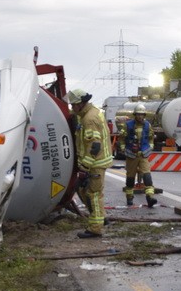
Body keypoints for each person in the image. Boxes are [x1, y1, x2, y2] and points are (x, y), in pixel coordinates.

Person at [66, 88, 114, 238]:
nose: (72, 108)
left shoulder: (89, 119)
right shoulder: (89, 112)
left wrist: (85, 167)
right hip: (96, 162)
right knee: (83, 191)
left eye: (73, 105)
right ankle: (101, 217)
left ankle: (95, 228)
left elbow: (95, 146)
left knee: (93, 194)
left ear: (81, 103)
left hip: (95, 163)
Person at [123, 104, 157, 208]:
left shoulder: (147, 125)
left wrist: (150, 146)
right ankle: (129, 197)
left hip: (143, 154)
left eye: (142, 115)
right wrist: (123, 147)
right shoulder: (128, 125)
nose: (140, 117)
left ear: (144, 115)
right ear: (135, 115)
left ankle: (150, 197)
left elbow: (151, 137)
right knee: (130, 178)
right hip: (131, 155)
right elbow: (121, 138)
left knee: (147, 176)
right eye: (138, 114)